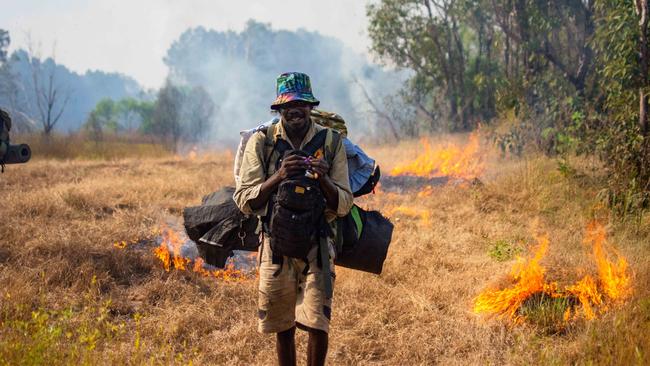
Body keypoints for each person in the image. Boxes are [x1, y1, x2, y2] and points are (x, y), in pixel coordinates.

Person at [234, 72, 353, 366]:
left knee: (317, 322)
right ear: (279, 110)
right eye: (288, 105)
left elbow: (344, 204)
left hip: (319, 244)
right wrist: (279, 176)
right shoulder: (262, 141)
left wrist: (324, 178)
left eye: (301, 103)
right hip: (275, 245)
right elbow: (244, 199)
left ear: (311, 107)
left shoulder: (331, 142)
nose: (295, 110)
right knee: (283, 325)